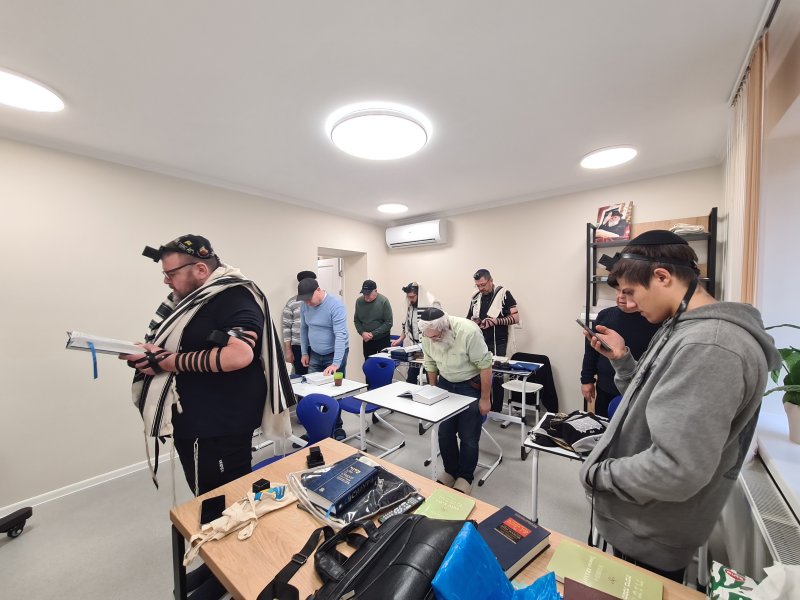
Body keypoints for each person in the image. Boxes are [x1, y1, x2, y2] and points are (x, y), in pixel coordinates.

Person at [578, 230, 780, 581]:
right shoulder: (680, 328)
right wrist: (622, 360)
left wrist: (597, 474)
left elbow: (676, 470)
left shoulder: (711, 345)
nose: (628, 303)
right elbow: (647, 397)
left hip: (651, 529)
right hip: (641, 519)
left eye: (631, 292)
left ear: (662, 276)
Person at [121, 235, 293, 496]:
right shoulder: (192, 301)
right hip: (196, 421)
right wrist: (150, 356)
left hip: (219, 426)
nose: (166, 280)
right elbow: (183, 346)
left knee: (224, 500)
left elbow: (239, 354)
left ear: (201, 269)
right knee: (206, 496)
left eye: (171, 273)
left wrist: (165, 361)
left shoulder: (234, 296)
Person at [418, 308, 493, 495]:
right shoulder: (428, 335)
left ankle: (465, 477)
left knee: (468, 436)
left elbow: (485, 366)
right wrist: (434, 391)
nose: (433, 341)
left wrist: (485, 399)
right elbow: (430, 364)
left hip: (470, 386)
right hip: (445, 384)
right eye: (429, 337)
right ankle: (451, 471)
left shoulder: (469, 332)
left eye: (436, 337)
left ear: (446, 328)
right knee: (445, 433)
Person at [580, 282, 661, 417]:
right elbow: (591, 351)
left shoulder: (654, 320)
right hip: (605, 387)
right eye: (618, 290)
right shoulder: (605, 315)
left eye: (627, 292)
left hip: (638, 389)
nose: (620, 296)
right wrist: (587, 380)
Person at [466, 269, 519, 414]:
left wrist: (496, 321)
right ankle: (484, 405)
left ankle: (497, 409)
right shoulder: (476, 297)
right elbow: (468, 318)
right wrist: (474, 321)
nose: (481, 288)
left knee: (497, 375)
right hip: (480, 341)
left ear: (491, 280)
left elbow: (516, 318)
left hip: (499, 341)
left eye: (483, 285)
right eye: (478, 285)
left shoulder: (504, 294)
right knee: (480, 374)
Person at [391, 282, 442, 383]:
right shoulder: (410, 307)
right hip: (415, 349)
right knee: (411, 379)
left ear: (419, 295)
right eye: (408, 297)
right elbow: (407, 326)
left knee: (431, 378)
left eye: (412, 297)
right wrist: (400, 339)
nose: (410, 299)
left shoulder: (432, 304)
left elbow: (439, 326)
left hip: (429, 348)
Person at [282, 270, 316, 376]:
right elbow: (286, 327)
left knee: (318, 377)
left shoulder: (320, 301)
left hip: (317, 346)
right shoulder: (291, 302)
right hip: (298, 347)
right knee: (301, 377)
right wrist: (288, 351)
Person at [353, 279, 393, 360]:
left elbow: (389, 323)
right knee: (369, 363)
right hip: (367, 340)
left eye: (368, 294)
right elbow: (357, 320)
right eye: (364, 294)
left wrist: (372, 334)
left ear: (375, 291)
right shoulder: (359, 302)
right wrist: (362, 332)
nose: (366, 296)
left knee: (383, 363)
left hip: (382, 338)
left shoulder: (384, 301)